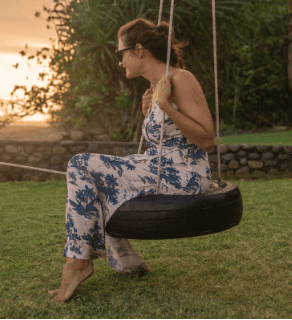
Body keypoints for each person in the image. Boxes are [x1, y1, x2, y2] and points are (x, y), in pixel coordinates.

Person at [49, 18, 215, 303]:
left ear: (138, 50)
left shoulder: (180, 79)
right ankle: (126, 260)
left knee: (80, 164)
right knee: (93, 177)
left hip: (186, 174)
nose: (119, 61)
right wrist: (150, 111)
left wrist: (164, 107)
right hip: (161, 169)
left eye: (120, 53)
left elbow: (206, 139)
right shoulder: (154, 89)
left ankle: (77, 264)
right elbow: (167, 138)